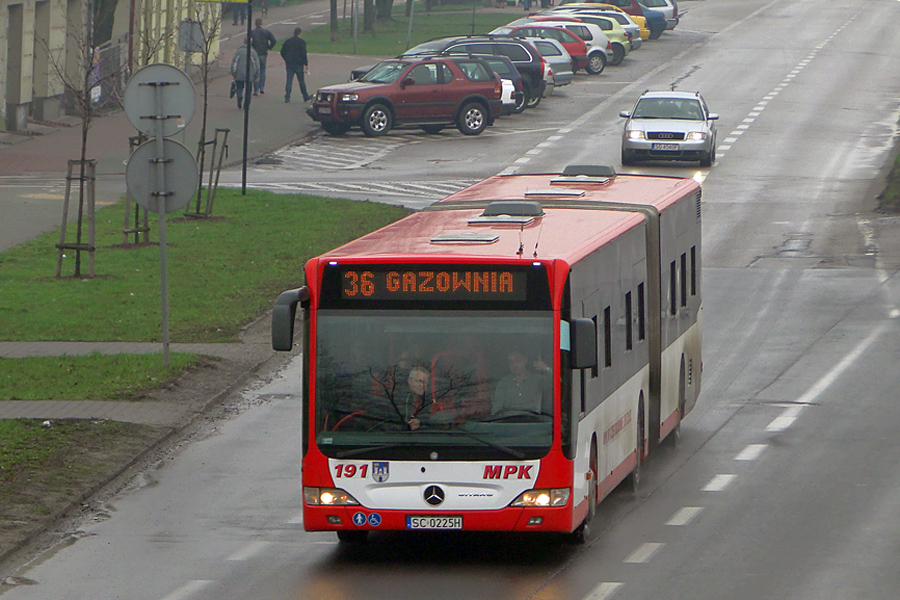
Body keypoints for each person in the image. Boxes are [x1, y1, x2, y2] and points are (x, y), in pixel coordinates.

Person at [491, 350, 550, 415]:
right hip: (509, 422)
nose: (514, 364)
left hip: (533, 422)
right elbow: (496, 409)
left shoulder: (538, 379)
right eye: (511, 362)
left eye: (517, 360)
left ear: (525, 360)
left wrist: (546, 369)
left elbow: (559, 383)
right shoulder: (503, 383)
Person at [280, 27, 311, 103]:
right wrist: (306, 63)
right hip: (298, 64)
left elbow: (282, 51)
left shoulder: (288, 41)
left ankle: (287, 96)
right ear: (300, 33)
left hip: (289, 63)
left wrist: (286, 59)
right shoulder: (301, 42)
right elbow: (303, 54)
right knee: (301, 81)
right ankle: (305, 96)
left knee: (289, 80)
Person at [230, 38, 260, 110]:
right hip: (250, 75)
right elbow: (256, 65)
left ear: (244, 42)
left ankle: (239, 96)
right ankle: (246, 105)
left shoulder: (239, 51)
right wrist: (257, 74)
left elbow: (234, 63)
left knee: (239, 87)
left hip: (239, 74)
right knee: (248, 90)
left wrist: (234, 73)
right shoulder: (253, 52)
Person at [249, 18, 276, 96]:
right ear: (261, 24)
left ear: (255, 24)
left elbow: (248, 41)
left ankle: (256, 89)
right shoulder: (266, 32)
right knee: (262, 70)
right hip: (263, 53)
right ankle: (262, 87)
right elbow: (274, 40)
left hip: (255, 54)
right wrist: (269, 47)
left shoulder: (252, 32)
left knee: (255, 71)